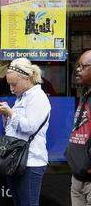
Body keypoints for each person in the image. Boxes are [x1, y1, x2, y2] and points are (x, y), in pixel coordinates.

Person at [0, 57, 50, 206]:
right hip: (16, 160)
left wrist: (11, 113)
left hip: (31, 161)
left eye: (14, 84)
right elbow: (11, 130)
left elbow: (30, 127)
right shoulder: (21, 98)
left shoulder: (38, 97)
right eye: (10, 84)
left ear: (27, 78)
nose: (11, 89)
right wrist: (6, 115)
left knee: (28, 203)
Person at [67, 50, 91, 205]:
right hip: (78, 174)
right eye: (78, 66)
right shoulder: (85, 92)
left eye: (83, 66)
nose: (78, 69)